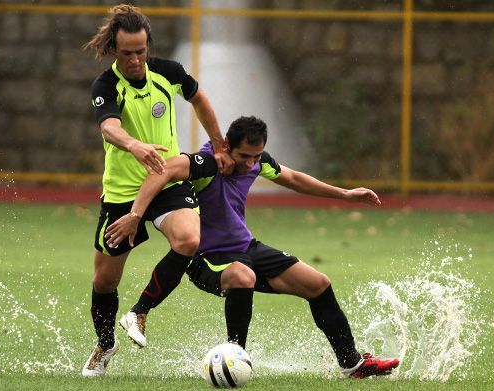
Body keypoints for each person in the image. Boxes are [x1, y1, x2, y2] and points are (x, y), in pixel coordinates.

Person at [106, 116, 400, 378]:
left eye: (256, 156)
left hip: (246, 248)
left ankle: (352, 364)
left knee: (318, 283)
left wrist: (346, 194)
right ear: (225, 147)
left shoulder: (257, 161)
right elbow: (163, 170)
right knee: (242, 277)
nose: (250, 163)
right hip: (206, 259)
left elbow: (294, 178)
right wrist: (135, 216)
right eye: (244, 156)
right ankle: (236, 357)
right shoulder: (207, 164)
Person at [81, 4, 233, 377]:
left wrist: (218, 145)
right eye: (127, 53)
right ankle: (105, 343)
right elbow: (109, 128)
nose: (135, 60)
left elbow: (199, 98)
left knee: (187, 239)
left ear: (149, 45)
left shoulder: (169, 72)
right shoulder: (106, 86)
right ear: (114, 50)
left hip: (166, 181)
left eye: (141, 51)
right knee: (104, 280)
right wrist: (135, 145)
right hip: (122, 193)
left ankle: (139, 311)